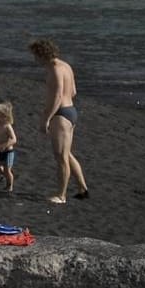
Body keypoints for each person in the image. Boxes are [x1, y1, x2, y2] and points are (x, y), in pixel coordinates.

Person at [33, 38, 89, 205]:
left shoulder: (55, 69)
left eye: (36, 55)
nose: (35, 59)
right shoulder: (66, 66)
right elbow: (73, 91)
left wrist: (46, 118)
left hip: (61, 114)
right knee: (67, 154)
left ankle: (61, 195)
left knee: (61, 157)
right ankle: (82, 188)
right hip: (70, 111)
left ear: (42, 54)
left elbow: (57, 96)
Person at [0, 102, 18, 193]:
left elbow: (14, 139)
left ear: (4, 116)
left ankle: (10, 186)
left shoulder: (7, 126)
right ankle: (7, 176)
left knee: (7, 169)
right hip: (1, 151)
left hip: (8, 152)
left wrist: (4, 145)